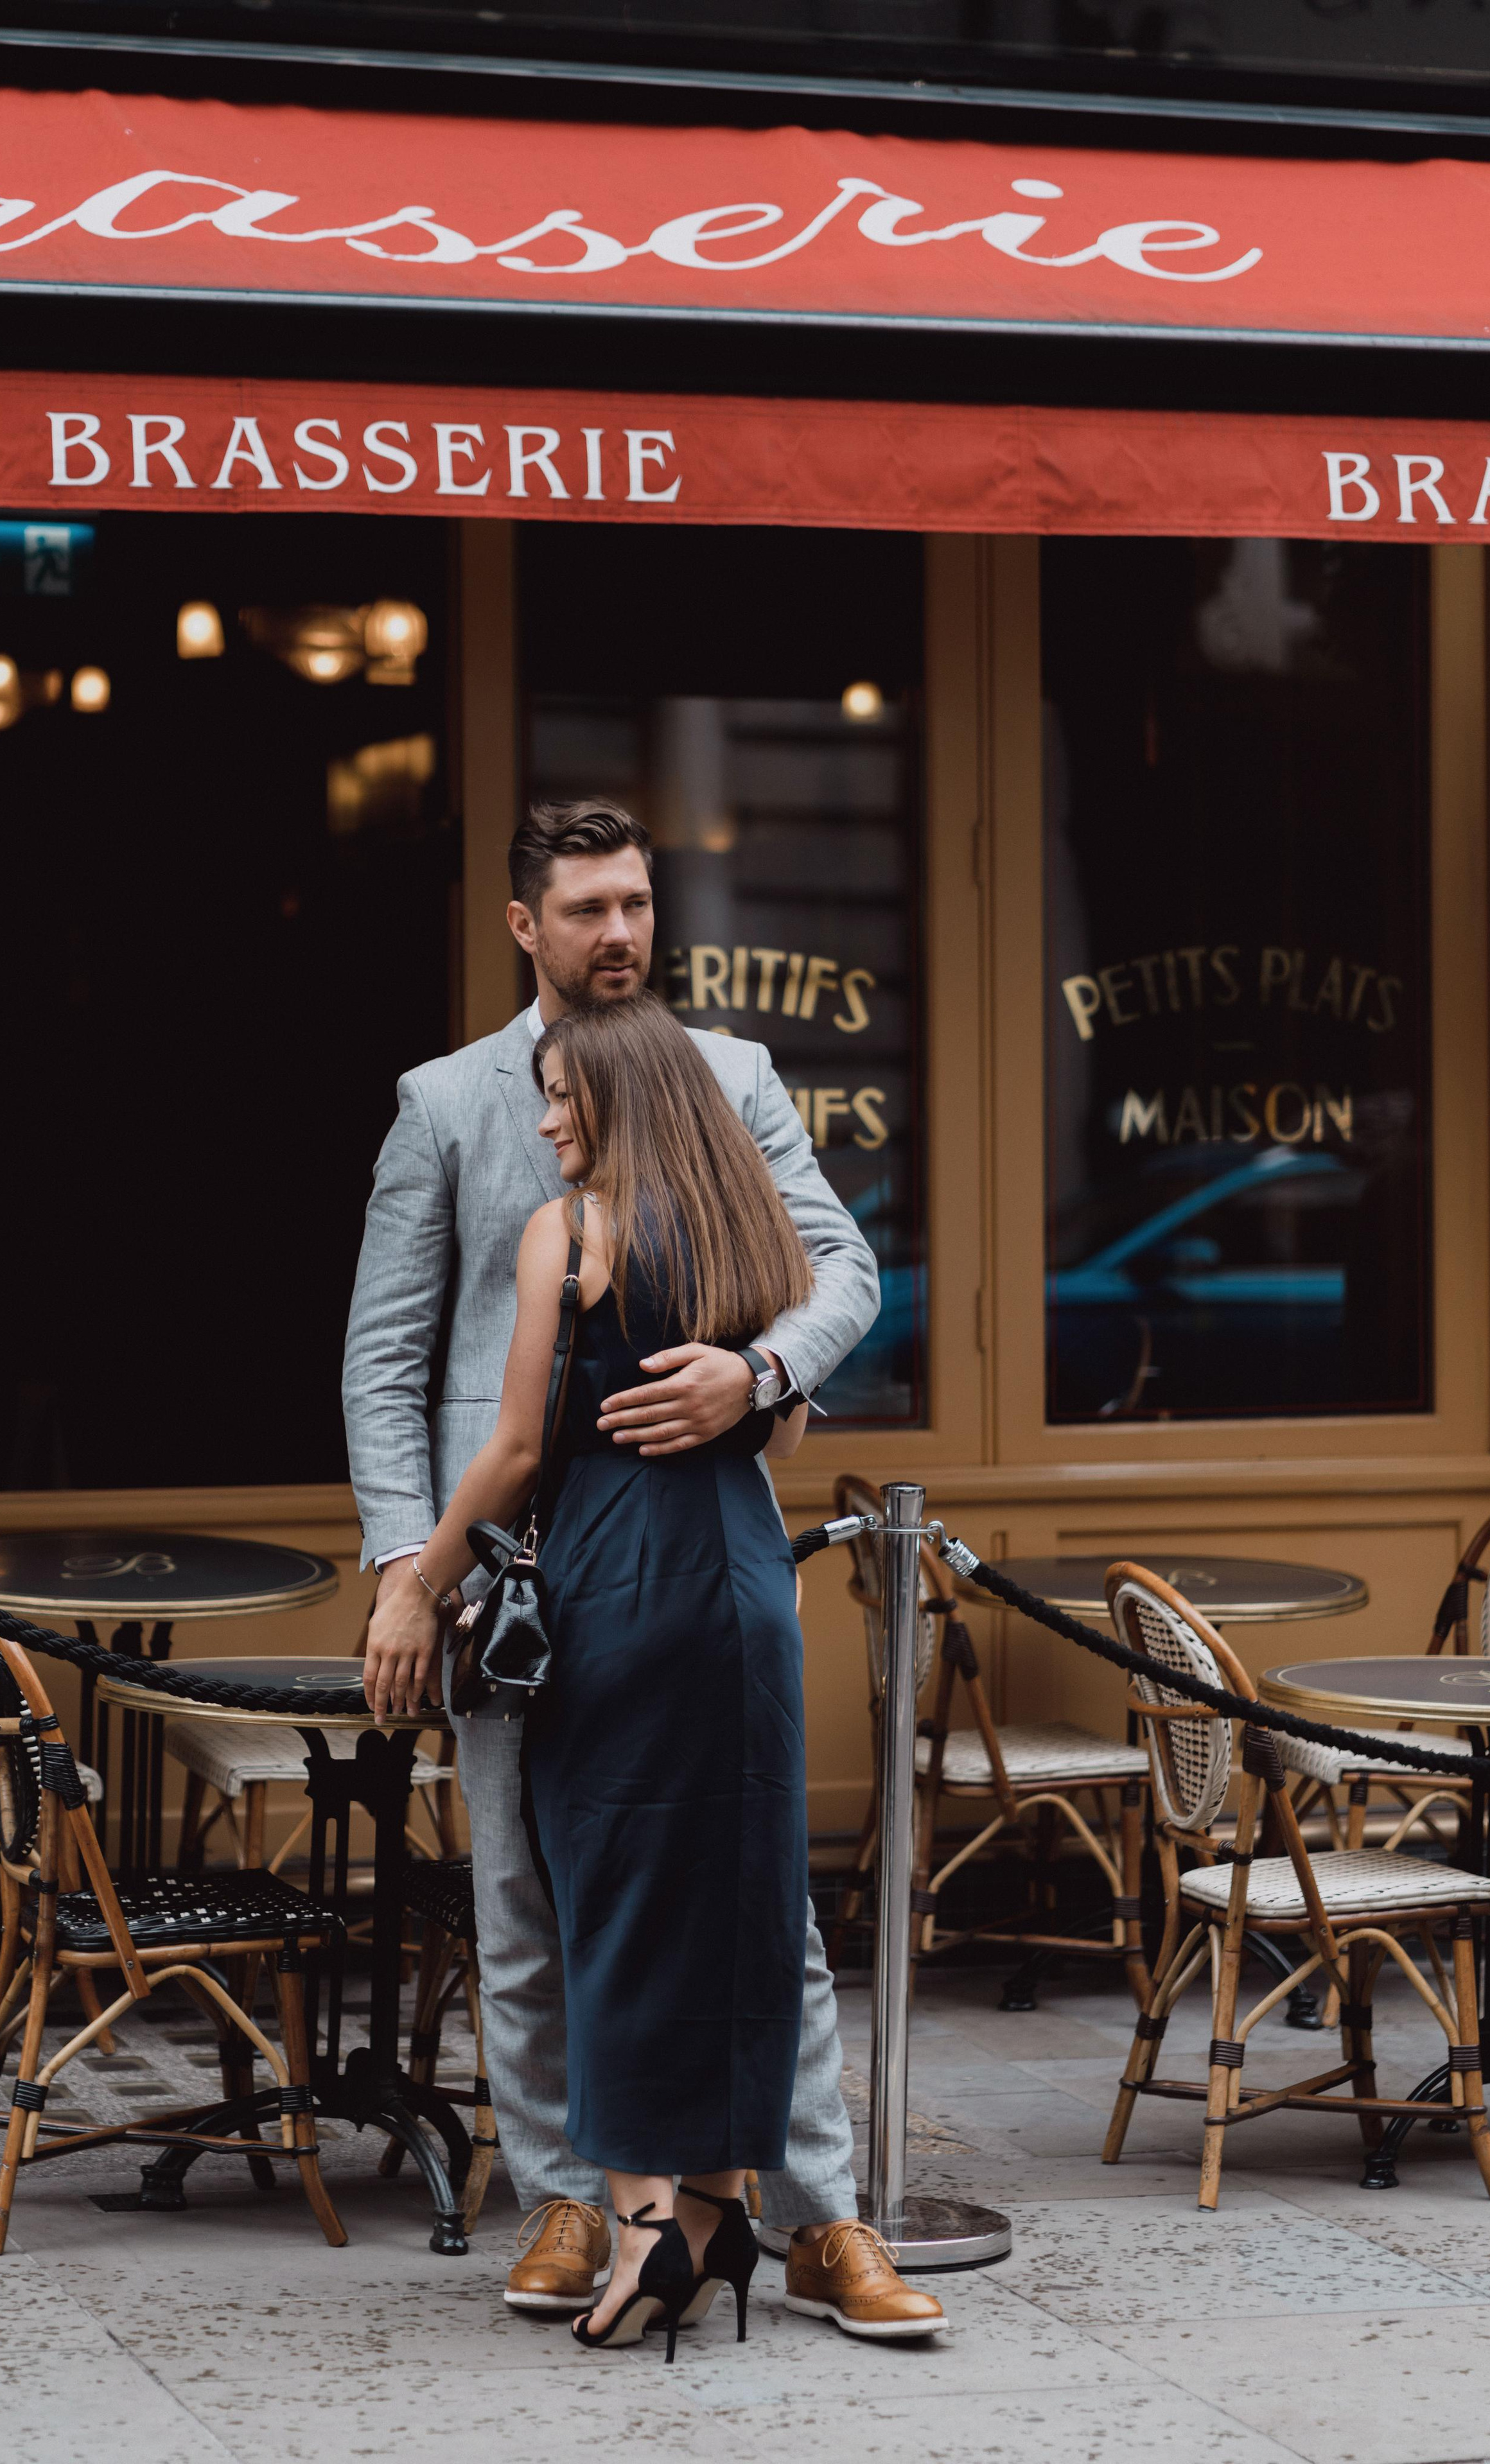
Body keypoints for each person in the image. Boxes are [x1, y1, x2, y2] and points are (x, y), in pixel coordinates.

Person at [344, 798, 945, 2341]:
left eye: (636, 904)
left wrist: (754, 1373)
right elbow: (389, 1356)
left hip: (694, 1545)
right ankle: (565, 2190)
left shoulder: (731, 1073)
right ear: (521, 925)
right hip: (508, 1569)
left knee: (762, 1900)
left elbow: (846, 1269)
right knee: (529, 1890)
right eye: (587, 908)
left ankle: (815, 2217)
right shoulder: (443, 1099)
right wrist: (413, 1565)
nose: (619, 934)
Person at [406, 993, 818, 2355]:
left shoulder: (565, 1233)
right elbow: (790, 1420)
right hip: (748, 1586)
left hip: (619, 1586)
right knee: (740, 1893)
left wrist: (419, 1575)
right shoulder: (756, 1230)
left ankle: (642, 2225)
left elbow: (520, 1450)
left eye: (564, 1099)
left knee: (611, 1894)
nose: (543, 1121)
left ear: (620, 1098)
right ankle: (715, 2208)